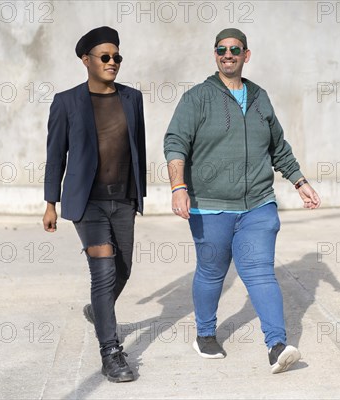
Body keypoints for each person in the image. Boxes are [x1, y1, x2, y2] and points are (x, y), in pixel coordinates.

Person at [163, 28, 321, 374]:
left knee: (261, 272)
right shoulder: (197, 98)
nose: (228, 54)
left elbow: (278, 146)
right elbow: (175, 142)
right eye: (222, 49)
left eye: (235, 49)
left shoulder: (260, 97)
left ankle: (276, 345)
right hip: (210, 205)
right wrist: (178, 187)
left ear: (246, 55)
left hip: (258, 205)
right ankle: (205, 333)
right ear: (215, 54)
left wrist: (300, 181)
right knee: (211, 272)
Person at [42, 26, 146, 383]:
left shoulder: (132, 99)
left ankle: (98, 311)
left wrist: (138, 196)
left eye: (117, 57)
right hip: (87, 203)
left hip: (124, 200)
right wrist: (50, 202)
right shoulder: (66, 102)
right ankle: (110, 351)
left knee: (123, 271)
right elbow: (55, 155)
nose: (112, 62)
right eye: (105, 57)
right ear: (85, 60)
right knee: (102, 274)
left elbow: (138, 149)